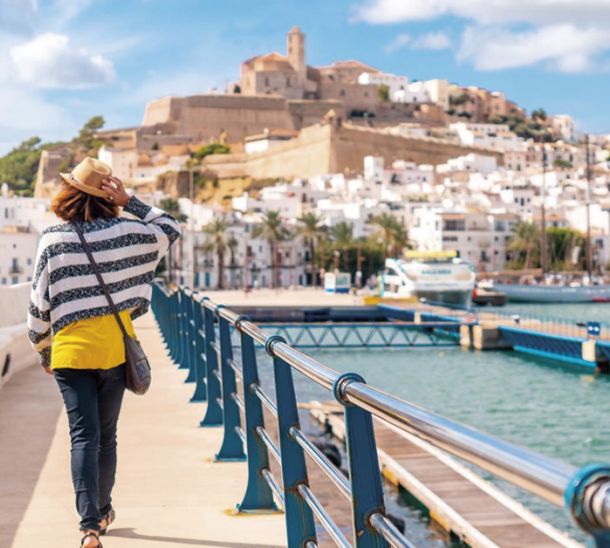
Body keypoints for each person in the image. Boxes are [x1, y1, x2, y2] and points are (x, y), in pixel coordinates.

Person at [26, 157, 181, 547]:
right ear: (106, 195)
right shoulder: (129, 232)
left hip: (70, 353)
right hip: (114, 349)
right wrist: (131, 201)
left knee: (83, 436)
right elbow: (169, 228)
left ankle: (89, 525)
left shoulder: (53, 238)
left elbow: (38, 305)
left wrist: (45, 351)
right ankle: (105, 508)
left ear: (68, 192)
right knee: (106, 437)